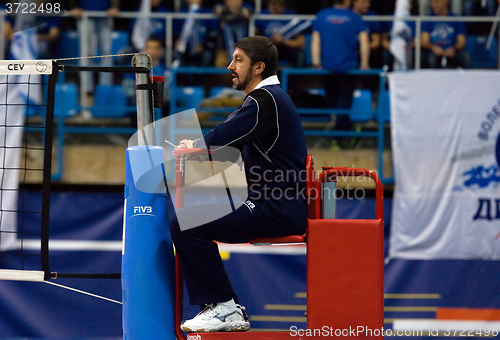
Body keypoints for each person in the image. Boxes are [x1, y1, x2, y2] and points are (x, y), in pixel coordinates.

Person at [171, 36, 307, 333]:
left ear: (258, 67)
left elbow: (223, 135)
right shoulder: (267, 99)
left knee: (185, 223)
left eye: (238, 60)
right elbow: (232, 140)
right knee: (190, 216)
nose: (230, 66)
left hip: (275, 209)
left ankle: (223, 306)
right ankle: (223, 305)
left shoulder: (265, 100)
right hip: (271, 203)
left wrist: (191, 146)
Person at [311, 0, 370, 132]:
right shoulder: (355, 17)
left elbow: (315, 40)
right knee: (343, 103)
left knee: (335, 103)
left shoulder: (321, 15)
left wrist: (316, 62)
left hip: (327, 68)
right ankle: (341, 136)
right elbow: (365, 40)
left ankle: (341, 133)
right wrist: (364, 63)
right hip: (349, 68)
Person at [70, 0, 120, 94]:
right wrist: (73, 7)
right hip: (84, 13)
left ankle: (105, 88)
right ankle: (86, 90)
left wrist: (115, 6)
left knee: (106, 51)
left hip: (105, 14)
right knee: (85, 52)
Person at [255, 0, 306, 67]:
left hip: (286, 49)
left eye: (278, 5)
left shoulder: (291, 17)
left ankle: (294, 77)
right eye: (273, 5)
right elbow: (253, 38)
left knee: (300, 55)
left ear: (283, 5)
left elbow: (301, 43)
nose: (275, 8)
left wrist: (283, 40)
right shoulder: (262, 15)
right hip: (267, 49)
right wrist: (267, 41)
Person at [421, 0, 471, 69]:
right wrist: (433, 47)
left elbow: (462, 41)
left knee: (465, 57)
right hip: (434, 52)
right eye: (432, 3)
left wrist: (453, 49)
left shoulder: (456, 19)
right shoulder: (428, 19)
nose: (433, 5)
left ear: (446, 2)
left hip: (453, 51)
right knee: (430, 58)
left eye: (437, 2)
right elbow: (424, 41)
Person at [173, 0, 218, 67]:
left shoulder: (208, 13)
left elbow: (212, 35)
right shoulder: (181, 13)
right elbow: (174, 32)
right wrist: (176, 41)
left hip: (202, 49)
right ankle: (186, 77)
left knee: (207, 55)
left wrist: (203, 46)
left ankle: (201, 77)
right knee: (175, 54)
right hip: (184, 48)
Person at [352, 0, 382, 68]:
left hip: (367, 52)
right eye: (363, 2)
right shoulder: (347, 15)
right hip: (349, 52)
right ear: (354, 2)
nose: (367, 5)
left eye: (368, 2)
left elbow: (376, 42)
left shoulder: (372, 16)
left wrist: (362, 50)